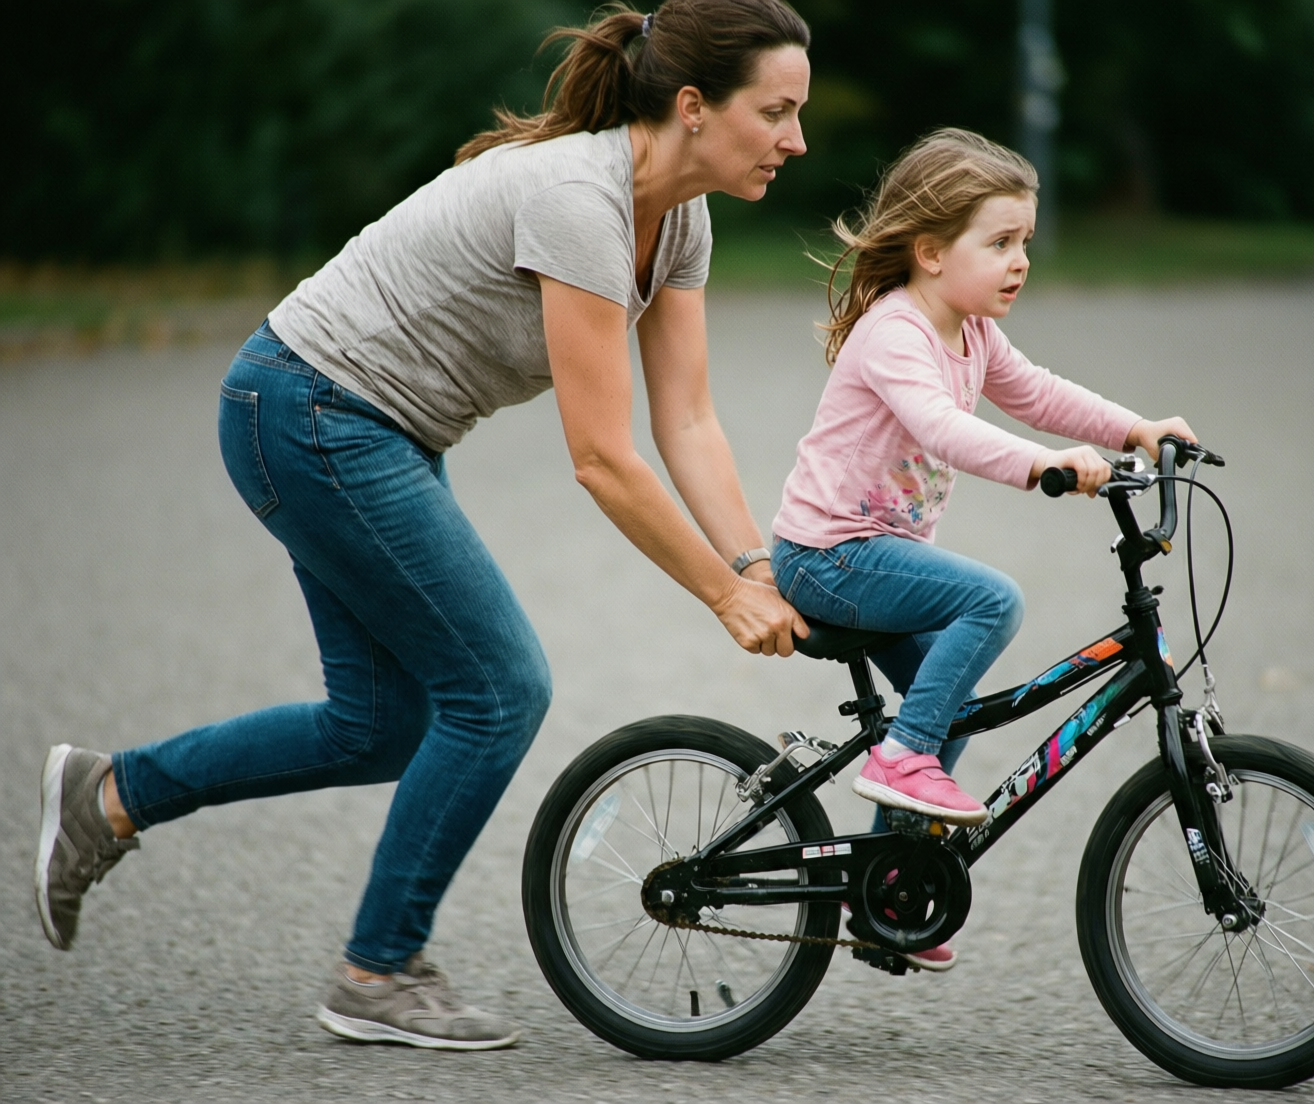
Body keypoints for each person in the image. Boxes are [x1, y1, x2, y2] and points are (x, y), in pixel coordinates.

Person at [34, 0, 812, 1051]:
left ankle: (111, 795)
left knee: (379, 726)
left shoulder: (678, 220)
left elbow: (687, 420)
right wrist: (722, 595)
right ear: (692, 106)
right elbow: (602, 457)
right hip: (309, 411)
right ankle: (379, 968)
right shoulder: (577, 200)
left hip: (361, 427)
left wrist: (755, 564)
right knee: (498, 690)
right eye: (775, 112)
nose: (795, 140)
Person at [769, 128, 1194, 970]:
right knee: (992, 600)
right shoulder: (897, 332)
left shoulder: (971, 332)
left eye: (1024, 242)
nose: (1019, 261)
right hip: (830, 556)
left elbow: (1037, 393)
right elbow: (942, 428)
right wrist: (1042, 466)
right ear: (930, 252)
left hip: (873, 557)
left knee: (950, 704)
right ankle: (902, 761)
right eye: (998, 242)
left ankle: (887, 889)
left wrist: (1137, 428)